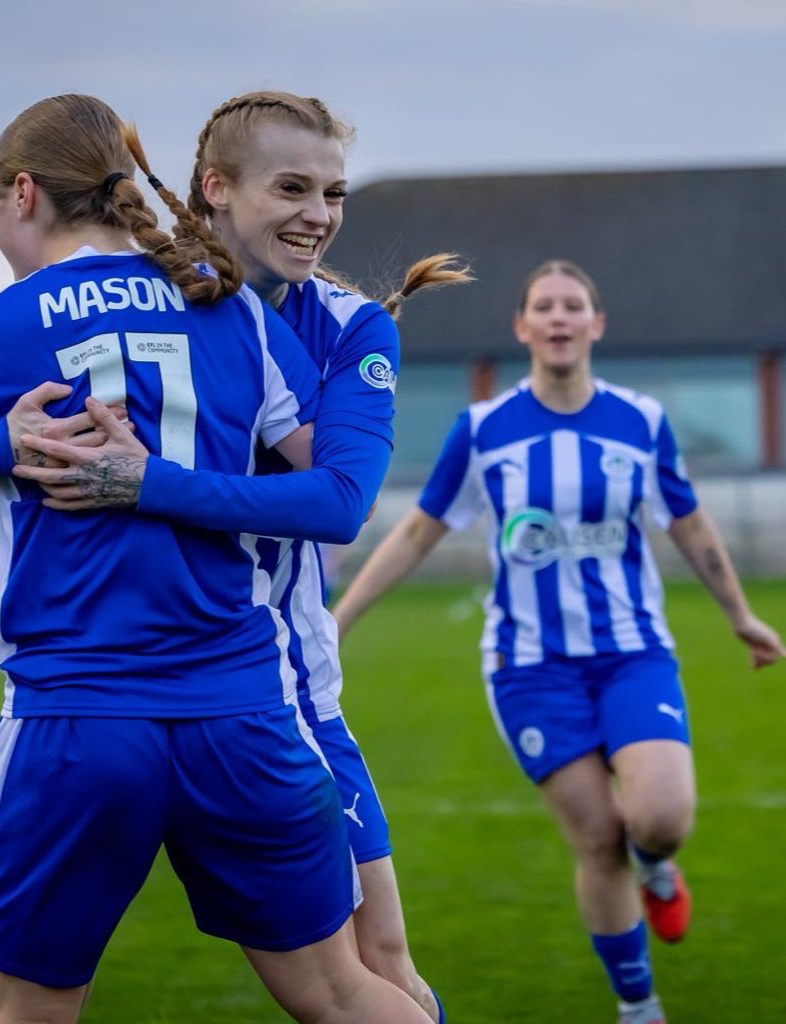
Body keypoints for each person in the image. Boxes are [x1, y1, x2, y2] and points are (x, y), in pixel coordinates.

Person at [0, 91, 471, 1023]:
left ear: (22, 193)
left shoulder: (1, 319)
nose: (319, 216)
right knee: (344, 988)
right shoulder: (230, 309)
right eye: (292, 188)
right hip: (243, 697)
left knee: (378, 961)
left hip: (173, 698)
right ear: (212, 189)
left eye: (332, 194)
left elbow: (340, 502)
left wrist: (137, 480)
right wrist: (5, 442)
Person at [331, 259, 786, 1024]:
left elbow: (689, 523)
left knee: (661, 818)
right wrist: (337, 622)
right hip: (531, 668)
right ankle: (638, 1006)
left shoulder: (640, 421)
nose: (559, 317)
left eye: (573, 305)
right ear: (523, 327)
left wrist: (741, 615)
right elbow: (416, 533)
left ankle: (658, 866)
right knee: (598, 840)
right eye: (544, 306)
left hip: (633, 653)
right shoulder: (484, 429)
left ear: (596, 324)